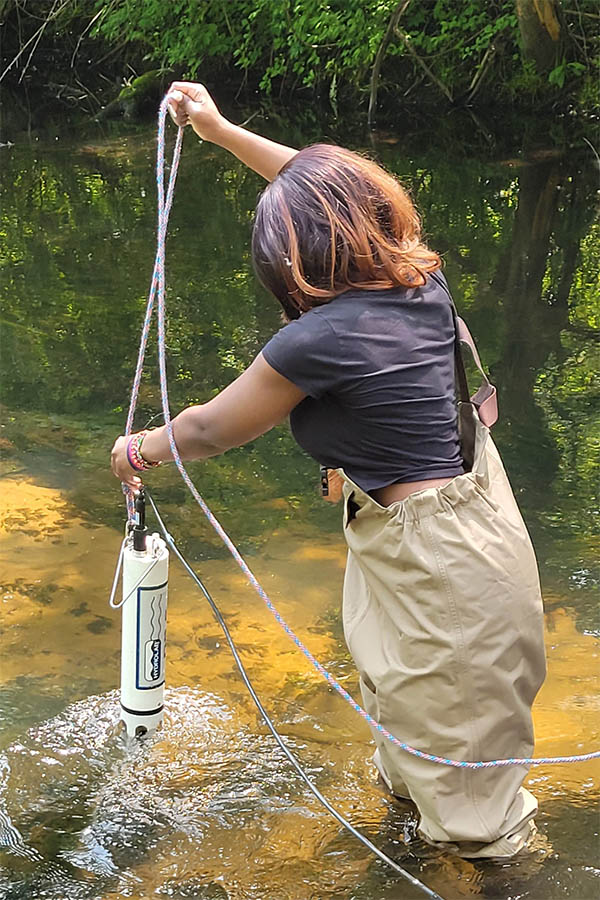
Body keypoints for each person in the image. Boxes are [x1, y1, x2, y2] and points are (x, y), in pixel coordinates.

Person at [111, 82, 547, 859]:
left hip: (442, 567)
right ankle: (413, 850)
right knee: (413, 740)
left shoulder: (315, 342)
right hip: (446, 538)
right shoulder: (419, 281)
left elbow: (211, 429)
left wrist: (137, 449)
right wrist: (219, 132)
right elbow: (326, 194)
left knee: (479, 815)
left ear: (293, 258)